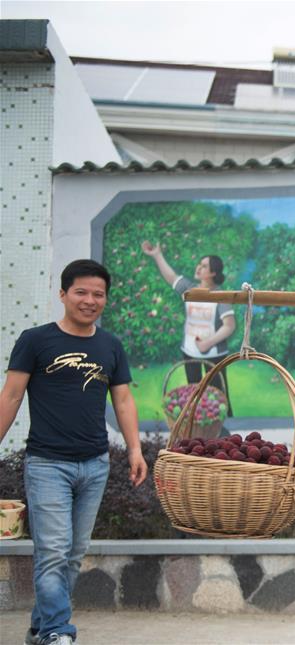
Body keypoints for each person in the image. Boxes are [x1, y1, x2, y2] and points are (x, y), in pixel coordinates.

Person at [0, 259, 148, 645]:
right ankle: (58, 631)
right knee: (53, 551)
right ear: (63, 294)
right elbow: (11, 396)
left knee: (72, 553)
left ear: (106, 299)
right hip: (47, 464)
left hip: (95, 464)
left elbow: (123, 400)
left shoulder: (110, 345)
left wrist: (135, 450)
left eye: (98, 294)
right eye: (81, 292)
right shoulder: (35, 341)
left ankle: (41, 628)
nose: (89, 300)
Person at [141, 242, 236, 416]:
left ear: (213, 273)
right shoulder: (189, 289)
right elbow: (171, 277)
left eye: (204, 266)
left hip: (214, 354)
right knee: (194, 395)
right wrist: (157, 255)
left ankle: (226, 430)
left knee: (219, 398)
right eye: (199, 264)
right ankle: (199, 427)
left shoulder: (221, 295)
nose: (198, 268)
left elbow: (229, 325)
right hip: (190, 351)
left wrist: (208, 343)